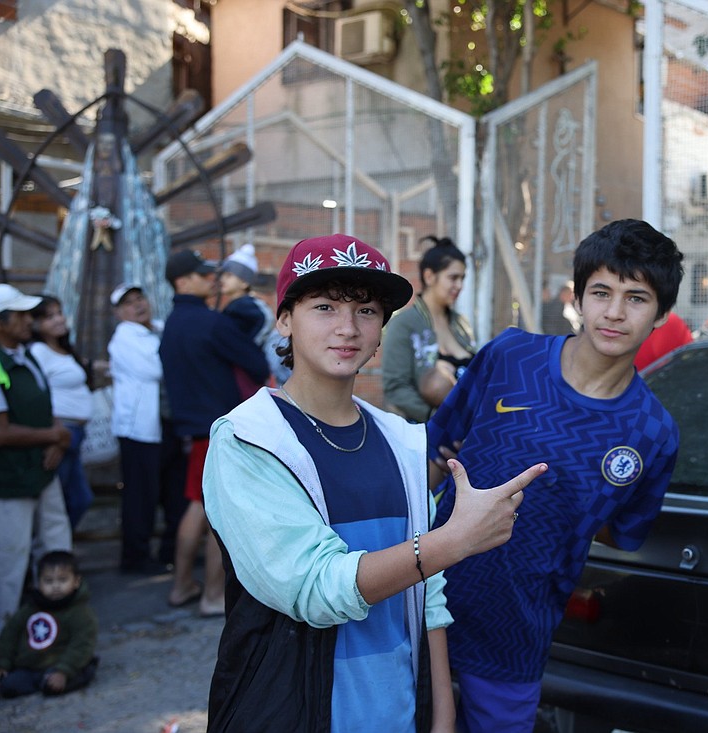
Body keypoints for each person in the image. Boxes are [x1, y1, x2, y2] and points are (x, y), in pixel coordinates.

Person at [201, 233, 546, 732]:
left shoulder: (403, 440)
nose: (347, 328)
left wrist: (442, 717)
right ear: (284, 319)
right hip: (289, 710)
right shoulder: (249, 438)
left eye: (366, 310)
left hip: (396, 712)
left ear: (383, 327)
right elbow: (314, 588)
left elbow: (428, 597)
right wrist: (452, 541)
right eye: (324, 307)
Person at [428, 219, 683, 733]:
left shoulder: (653, 432)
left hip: (518, 628)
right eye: (601, 292)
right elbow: (437, 448)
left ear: (661, 314)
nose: (614, 312)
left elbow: (622, 531)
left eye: (636, 298)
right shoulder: (510, 355)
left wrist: (565, 513)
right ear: (579, 297)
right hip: (423, 594)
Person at [160, 248, 269, 616]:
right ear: (182, 281)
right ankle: (211, 596)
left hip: (192, 431)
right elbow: (256, 363)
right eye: (202, 274)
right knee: (218, 516)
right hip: (221, 431)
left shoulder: (170, 325)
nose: (211, 279)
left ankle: (180, 587)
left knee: (197, 505)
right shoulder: (212, 322)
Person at [0, 284, 72, 623]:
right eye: (22, 315)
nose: (31, 321)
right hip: (11, 479)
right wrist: (54, 435)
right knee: (11, 560)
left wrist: (57, 441)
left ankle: (61, 623)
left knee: (56, 544)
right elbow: (2, 432)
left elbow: (44, 404)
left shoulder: (25, 354)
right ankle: (7, 635)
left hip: (42, 471)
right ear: (2, 323)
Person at [108, 284, 188, 576]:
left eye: (140, 298)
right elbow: (157, 367)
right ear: (119, 314)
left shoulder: (158, 328)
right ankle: (135, 558)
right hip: (139, 430)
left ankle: (171, 551)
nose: (137, 305)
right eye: (128, 303)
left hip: (167, 425)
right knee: (141, 495)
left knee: (173, 492)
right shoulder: (124, 339)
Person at [381, 236, 476, 422]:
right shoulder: (403, 324)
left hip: (468, 429)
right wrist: (438, 420)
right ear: (429, 276)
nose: (460, 286)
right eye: (453, 277)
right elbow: (395, 388)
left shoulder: (461, 324)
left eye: (463, 278)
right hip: (423, 434)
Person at [29, 295, 95, 530]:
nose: (58, 320)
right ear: (35, 324)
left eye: (59, 313)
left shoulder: (63, 349)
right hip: (60, 432)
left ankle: (59, 554)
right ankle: (49, 558)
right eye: (49, 317)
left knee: (79, 499)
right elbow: (38, 395)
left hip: (74, 433)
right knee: (61, 502)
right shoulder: (38, 351)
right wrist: (54, 434)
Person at [0, 550, 97, 698]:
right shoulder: (30, 608)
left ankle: (69, 676)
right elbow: (10, 634)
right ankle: (42, 683)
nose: (56, 586)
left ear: (76, 581)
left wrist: (63, 670)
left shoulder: (80, 613)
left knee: (65, 680)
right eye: (48, 581)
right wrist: (3, 663)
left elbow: (81, 645)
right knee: (7, 687)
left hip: (61, 665)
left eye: (62, 580)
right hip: (30, 667)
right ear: (38, 583)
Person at [217, 243, 277, 400]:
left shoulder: (244, 308)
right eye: (223, 275)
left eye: (229, 276)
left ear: (244, 282)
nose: (223, 279)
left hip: (247, 372)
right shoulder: (239, 306)